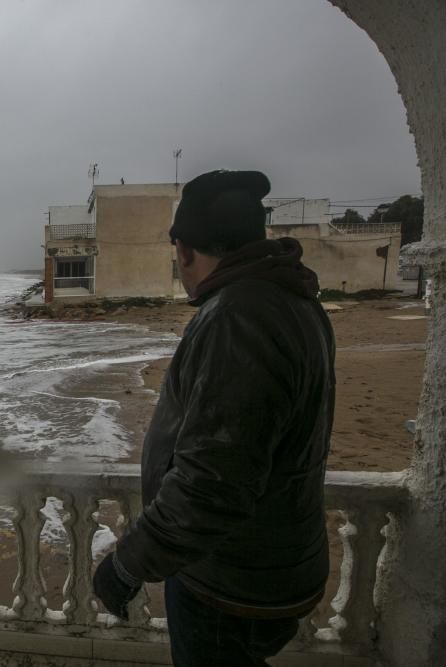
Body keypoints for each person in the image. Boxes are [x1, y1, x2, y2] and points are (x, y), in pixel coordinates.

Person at [92, 170, 335, 666]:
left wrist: (126, 565)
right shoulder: (295, 301)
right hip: (274, 560)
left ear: (183, 250)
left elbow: (213, 482)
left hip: (230, 580)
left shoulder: (236, 318)